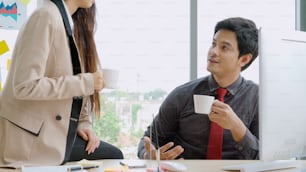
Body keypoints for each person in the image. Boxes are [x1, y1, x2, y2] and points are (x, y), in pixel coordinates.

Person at [0, 0, 123, 167]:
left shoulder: (68, 23)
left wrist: (83, 123)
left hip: (50, 134)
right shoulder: (45, 16)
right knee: (114, 157)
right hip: (28, 140)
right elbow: (25, 85)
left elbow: (73, 95)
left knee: (113, 156)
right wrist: (86, 82)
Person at [137, 17, 259, 160]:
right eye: (213, 44)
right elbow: (150, 139)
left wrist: (237, 127)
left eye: (224, 47)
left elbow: (264, 157)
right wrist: (148, 155)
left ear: (244, 59)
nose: (213, 51)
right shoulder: (182, 95)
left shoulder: (258, 98)